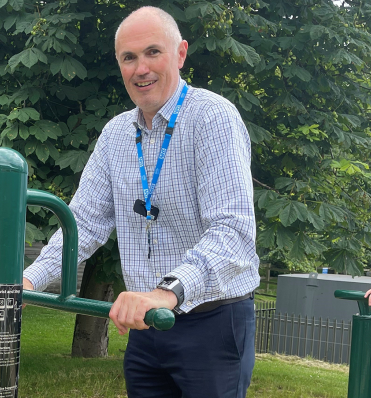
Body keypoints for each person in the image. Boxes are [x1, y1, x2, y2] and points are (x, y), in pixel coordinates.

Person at [23, 6, 260, 398]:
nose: (140, 69)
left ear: (180, 54)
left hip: (212, 319)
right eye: (128, 58)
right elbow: (83, 221)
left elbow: (233, 231)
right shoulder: (116, 133)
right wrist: (30, 279)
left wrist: (167, 291)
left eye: (153, 52)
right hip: (147, 324)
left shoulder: (213, 118)